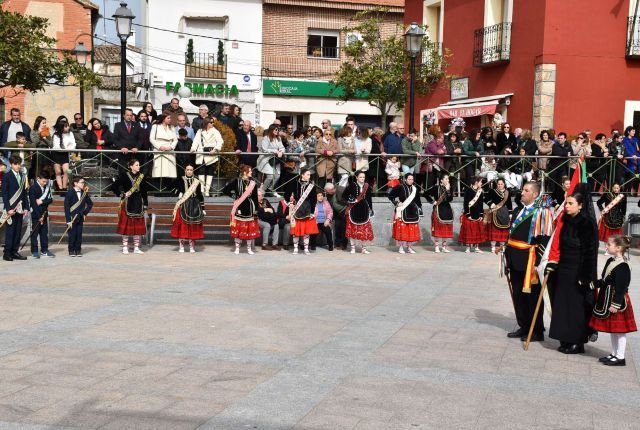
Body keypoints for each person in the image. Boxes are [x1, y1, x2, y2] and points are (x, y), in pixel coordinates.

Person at [548, 191, 598, 354]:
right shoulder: (565, 219)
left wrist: (584, 275)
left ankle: (577, 341)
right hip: (564, 268)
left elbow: (590, 251)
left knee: (577, 306)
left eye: (570, 204)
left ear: (581, 205)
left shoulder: (587, 222)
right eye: (566, 203)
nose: (567, 206)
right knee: (564, 304)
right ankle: (565, 338)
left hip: (578, 268)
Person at [504, 181, 553, 342]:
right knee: (518, 295)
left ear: (534, 194)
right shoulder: (518, 209)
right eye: (522, 190)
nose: (522, 193)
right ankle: (524, 326)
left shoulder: (541, 213)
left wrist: (538, 262)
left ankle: (536, 330)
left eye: (526, 190)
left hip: (529, 260)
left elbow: (544, 240)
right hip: (514, 259)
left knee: (532, 296)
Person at [589, 235, 637, 366]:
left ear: (618, 248)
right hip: (607, 299)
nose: (606, 246)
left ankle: (620, 357)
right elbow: (605, 280)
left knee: (620, 330)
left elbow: (622, 287)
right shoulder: (611, 260)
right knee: (613, 330)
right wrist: (591, 285)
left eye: (609, 245)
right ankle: (614, 354)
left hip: (617, 301)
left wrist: (615, 304)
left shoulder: (623, 266)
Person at [112, 159, 148, 255]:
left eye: (139, 165)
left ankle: (136, 248)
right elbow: (114, 186)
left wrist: (145, 204)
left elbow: (144, 192)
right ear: (131, 166)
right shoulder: (124, 175)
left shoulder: (142, 177)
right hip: (128, 202)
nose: (138, 166)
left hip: (138, 202)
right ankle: (125, 247)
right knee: (126, 226)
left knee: (137, 226)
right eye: (136, 165)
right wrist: (121, 194)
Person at [223, 164, 261, 254]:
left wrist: (256, 210)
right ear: (245, 172)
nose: (251, 172)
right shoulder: (236, 181)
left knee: (249, 229)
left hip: (250, 208)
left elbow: (255, 198)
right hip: (239, 206)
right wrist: (235, 196)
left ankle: (249, 249)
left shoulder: (253, 184)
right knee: (239, 228)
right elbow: (225, 190)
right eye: (250, 171)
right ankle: (237, 248)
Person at [171, 163, 205, 253]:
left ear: (193, 171)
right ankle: (181, 246)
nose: (189, 171)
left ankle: (191, 246)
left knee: (192, 226)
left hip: (194, 205)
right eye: (188, 170)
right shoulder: (180, 180)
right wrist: (178, 192)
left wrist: (203, 208)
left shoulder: (196, 181)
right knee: (182, 226)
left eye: (191, 170)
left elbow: (200, 195)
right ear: (185, 170)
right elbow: (171, 188)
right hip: (183, 204)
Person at [1, 155, 29, 261]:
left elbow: (24, 193)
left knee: (18, 231)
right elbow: (5, 193)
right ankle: (7, 253)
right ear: (11, 164)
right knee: (10, 231)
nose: (17, 166)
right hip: (11, 209)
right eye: (15, 164)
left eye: (19, 164)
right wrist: (8, 209)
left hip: (20, 208)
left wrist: (26, 207)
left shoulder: (22, 176)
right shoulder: (6, 176)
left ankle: (15, 251)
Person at [284, 168, 318, 255]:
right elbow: (286, 194)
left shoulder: (311, 186)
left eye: (310, 175)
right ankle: (295, 249)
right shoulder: (294, 183)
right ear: (302, 175)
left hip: (307, 209)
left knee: (307, 231)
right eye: (307, 174)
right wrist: (289, 203)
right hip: (297, 209)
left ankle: (306, 249)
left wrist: (312, 212)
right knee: (296, 230)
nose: (309, 176)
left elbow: (314, 200)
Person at [389, 173, 422, 254]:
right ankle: (401, 247)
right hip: (403, 210)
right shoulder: (400, 187)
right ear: (405, 179)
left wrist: (420, 211)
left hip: (412, 211)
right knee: (402, 229)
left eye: (412, 179)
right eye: (409, 179)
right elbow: (390, 195)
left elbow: (418, 201)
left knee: (411, 230)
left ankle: (409, 247)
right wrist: (396, 203)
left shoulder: (415, 189)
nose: (411, 181)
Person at [191, 117, 223, 197]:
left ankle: (207, 190)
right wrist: (193, 148)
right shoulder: (200, 131)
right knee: (201, 171)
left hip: (211, 154)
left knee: (210, 172)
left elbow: (220, 141)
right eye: (211, 122)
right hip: (201, 153)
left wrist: (215, 149)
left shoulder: (215, 131)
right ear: (207, 123)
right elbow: (196, 141)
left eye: (213, 122)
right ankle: (201, 190)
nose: (212, 124)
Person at [344, 170, 374, 254]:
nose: (362, 179)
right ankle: (353, 248)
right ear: (356, 177)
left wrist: (371, 209)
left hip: (364, 209)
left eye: (363, 177)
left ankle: (363, 249)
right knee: (352, 228)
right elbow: (344, 195)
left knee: (365, 229)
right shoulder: (352, 185)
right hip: (354, 208)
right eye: (360, 177)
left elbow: (369, 199)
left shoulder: (367, 186)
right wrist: (351, 199)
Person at [63, 176, 93, 257]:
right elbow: (66, 207)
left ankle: (78, 250)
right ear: (75, 183)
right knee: (72, 235)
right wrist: (68, 220)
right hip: (72, 217)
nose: (83, 184)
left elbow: (90, 204)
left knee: (79, 234)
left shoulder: (84, 193)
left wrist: (84, 213)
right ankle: (71, 250)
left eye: (84, 182)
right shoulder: (69, 193)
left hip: (80, 217)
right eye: (81, 182)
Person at [29, 169, 55, 258]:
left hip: (44, 213)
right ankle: (34, 251)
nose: (45, 183)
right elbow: (33, 203)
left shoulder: (47, 187)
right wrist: (39, 216)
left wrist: (42, 201)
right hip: (35, 214)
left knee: (44, 233)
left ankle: (44, 250)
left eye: (46, 181)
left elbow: (50, 199)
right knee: (34, 233)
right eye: (43, 181)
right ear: (38, 178)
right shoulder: (33, 188)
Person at [425, 172, 454, 253]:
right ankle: (437, 246)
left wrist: (448, 190)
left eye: (448, 179)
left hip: (447, 209)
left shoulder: (449, 188)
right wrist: (432, 201)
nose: (448, 180)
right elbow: (425, 194)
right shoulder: (436, 188)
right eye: (446, 179)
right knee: (438, 228)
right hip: (438, 208)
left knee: (446, 228)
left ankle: (444, 247)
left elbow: (450, 199)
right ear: (441, 180)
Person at [484, 178, 512, 253]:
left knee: (503, 230)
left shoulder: (507, 192)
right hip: (494, 212)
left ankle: (501, 247)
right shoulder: (492, 191)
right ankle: (493, 247)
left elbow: (509, 204)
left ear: (504, 184)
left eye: (501, 184)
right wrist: (490, 203)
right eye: (498, 184)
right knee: (494, 229)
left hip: (504, 213)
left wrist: (510, 214)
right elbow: (485, 198)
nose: (500, 185)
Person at [257, 124, 285, 197]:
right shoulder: (266, 138)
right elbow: (265, 149)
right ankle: (262, 191)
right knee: (270, 176)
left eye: (278, 130)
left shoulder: (278, 138)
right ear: (271, 130)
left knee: (277, 176)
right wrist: (275, 151)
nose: (277, 131)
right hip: (266, 160)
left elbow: (282, 147)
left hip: (275, 160)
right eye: (276, 129)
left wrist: (281, 151)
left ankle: (271, 189)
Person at [596, 183, 626, 254]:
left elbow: (624, 208)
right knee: (607, 234)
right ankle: (607, 249)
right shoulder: (607, 194)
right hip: (608, 216)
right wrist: (603, 210)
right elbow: (598, 202)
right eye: (614, 188)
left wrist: (623, 216)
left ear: (619, 189)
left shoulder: (622, 196)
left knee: (616, 235)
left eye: (617, 188)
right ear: (612, 188)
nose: (616, 189)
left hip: (618, 217)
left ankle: (615, 249)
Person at [459, 177, 486, 253]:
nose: (481, 183)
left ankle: (477, 247)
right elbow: (465, 203)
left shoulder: (480, 191)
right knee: (468, 231)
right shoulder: (468, 191)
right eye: (480, 182)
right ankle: (468, 247)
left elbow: (481, 204)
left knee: (477, 231)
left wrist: (481, 215)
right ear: (476, 182)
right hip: (470, 214)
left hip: (477, 213)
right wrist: (468, 214)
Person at [150, 114, 178, 179]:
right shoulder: (155, 126)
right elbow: (151, 139)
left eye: (170, 118)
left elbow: (175, 140)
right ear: (163, 119)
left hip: (169, 150)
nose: (170, 119)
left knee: (170, 171)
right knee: (159, 170)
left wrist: (171, 147)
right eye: (168, 118)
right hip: (159, 150)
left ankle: (168, 186)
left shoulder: (172, 127)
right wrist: (159, 147)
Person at [51, 117, 76, 190]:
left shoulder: (70, 133)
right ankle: (60, 187)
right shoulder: (56, 135)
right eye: (66, 126)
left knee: (66, 171)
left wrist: (66, 148)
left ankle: (64, 187)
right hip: (56, 154)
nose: (68, 127)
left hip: (65, 154)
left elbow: (73, 144)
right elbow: (56, 146)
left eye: (68, 126)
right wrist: (67, 147)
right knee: (58, 172)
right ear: (61, 127)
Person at [325, 182, 347, 250]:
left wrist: (348, 209)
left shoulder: (341, 190)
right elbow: (330, 205)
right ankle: (338, 244)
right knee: (337, 227)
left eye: (327, 191)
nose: (326, 193)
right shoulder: (329, 194)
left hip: (344, 211)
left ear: (331, 189)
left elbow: (349, 200)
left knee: (344, 228)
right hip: (336, 212)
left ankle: (344, 245)